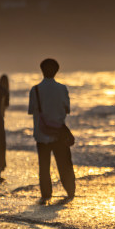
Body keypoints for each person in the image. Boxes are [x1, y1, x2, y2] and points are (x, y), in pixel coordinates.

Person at [28, 58, 75, 204]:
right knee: (64, 165)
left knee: (44, 166)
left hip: (41, 134)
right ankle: (70, 192)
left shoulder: (35, 90)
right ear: (57, 70)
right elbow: (67, 110)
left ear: (41, 70)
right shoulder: (62, 89)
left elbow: (31, 111)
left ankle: (46, 194)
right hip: (59, 133)